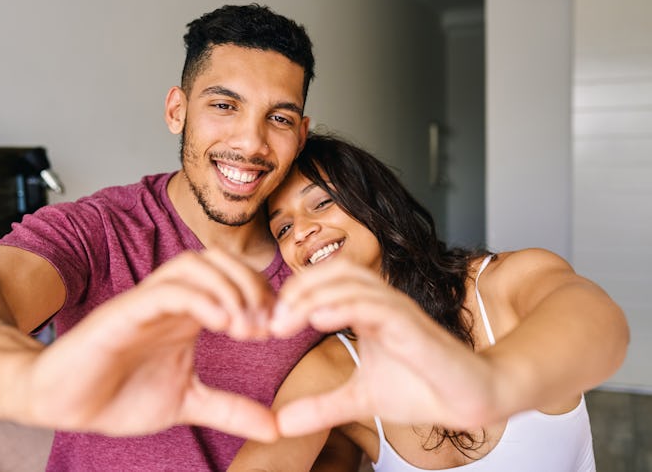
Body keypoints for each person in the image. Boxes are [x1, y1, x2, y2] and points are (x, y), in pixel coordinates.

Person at [0, 4, 325, 472]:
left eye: (280, 119)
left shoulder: (319, 252)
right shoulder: (100, 230)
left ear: (302, 135)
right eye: (224, 105)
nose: (250, 143)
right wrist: (36, 384)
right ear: (177, 111)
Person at [228, 132, 629, 471]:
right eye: (283, 227)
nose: (300, 231)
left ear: (376, 203)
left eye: (321, 202)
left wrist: (489, 383)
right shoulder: (330, 371)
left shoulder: (503, 284)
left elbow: (600, 323)